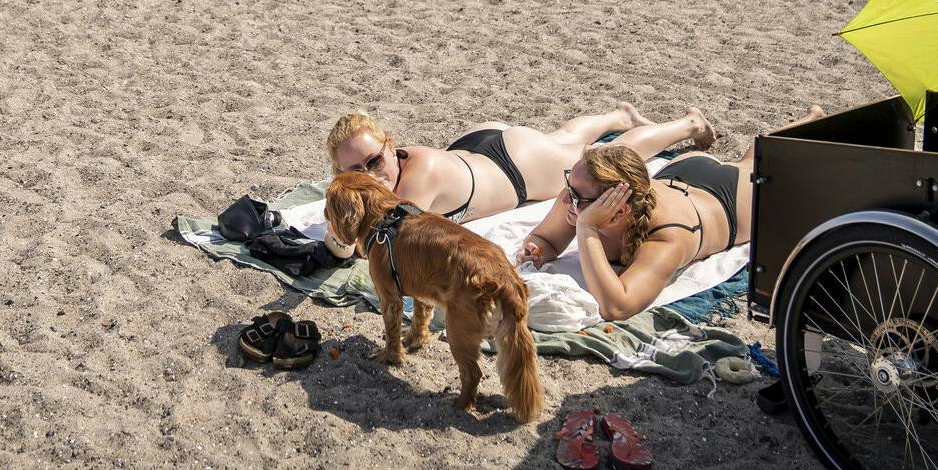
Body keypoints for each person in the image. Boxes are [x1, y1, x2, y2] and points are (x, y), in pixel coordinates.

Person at [514, 113, 824, 321]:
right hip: (680, 171)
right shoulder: (580, 195)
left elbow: (617, 306)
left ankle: (810, 120)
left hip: (724, 199)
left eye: (576, 197)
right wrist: (537, 249)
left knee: (758, 160)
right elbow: (545, 239)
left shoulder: (668, 235)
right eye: (569, 187)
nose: (566, 199)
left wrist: (586, 229)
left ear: (618, 210)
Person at [325, 106, 718, 225]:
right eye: (355, 171)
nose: (369, 175)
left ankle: (689, 124)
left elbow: (376, 243)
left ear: (391, 146)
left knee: (606, 160)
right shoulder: (394, 169)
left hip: (516, 168)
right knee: (564, 138)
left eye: (374, 160)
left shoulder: (418, 179)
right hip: (479, 146)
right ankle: (618, 117)